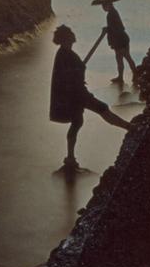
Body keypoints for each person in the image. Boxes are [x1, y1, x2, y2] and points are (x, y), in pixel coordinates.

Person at [50, 24, 129, 170]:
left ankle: (70, 158)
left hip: (76, 93)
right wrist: (77, 73)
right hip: (76, 94)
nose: (73, 37)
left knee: (81, 120)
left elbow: (73, 73)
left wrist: (78, 72)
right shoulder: (64, 55)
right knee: (96, 112)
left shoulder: (65, 53)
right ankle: (130, 128)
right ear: (66, 39)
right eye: (70, 35)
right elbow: (66, 76)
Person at [100, 0, 138, 85]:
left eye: (104, 6)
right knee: (119, 59)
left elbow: (118, 27)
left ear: (109, 5)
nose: (103, 8)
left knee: (126, 57)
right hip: (118, 40)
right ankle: (121, 77)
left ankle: (135, 74)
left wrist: (108, 29)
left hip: (121, 40)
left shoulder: (112, 14)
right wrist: (108, 28)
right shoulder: (112, 13)